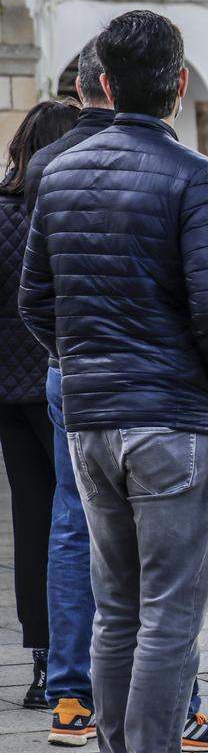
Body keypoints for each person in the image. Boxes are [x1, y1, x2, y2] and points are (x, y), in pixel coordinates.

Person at [19, 10, 208, 753]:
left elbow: (36, 300)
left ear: (105, 85)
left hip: (90, 418)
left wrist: (83, 361)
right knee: (170, 614)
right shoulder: (199, 177)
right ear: (178, 86)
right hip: (175, 420)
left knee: (118, 604)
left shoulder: (54, 171)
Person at [0, 99, 77, 711]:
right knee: (79, 524)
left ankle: (44, 663)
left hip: (8, 393)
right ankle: (87, 658)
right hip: (64, 384)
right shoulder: (70, 210)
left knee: (33, 524)